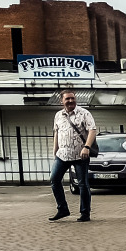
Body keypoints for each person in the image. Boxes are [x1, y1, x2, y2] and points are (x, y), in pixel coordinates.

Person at [49, 88, 97, 222]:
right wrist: (55, 151)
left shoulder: (84, 113)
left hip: (80, 155)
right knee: (54, 180)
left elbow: (92, 130)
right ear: (61, 101)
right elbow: (56, 133)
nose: (70, 101)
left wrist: (87, 147)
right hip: (62, 155)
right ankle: (62, 209)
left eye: (72, 98)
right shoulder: (58, 115)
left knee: (82, 185)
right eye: (67, 99)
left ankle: (85, 213)